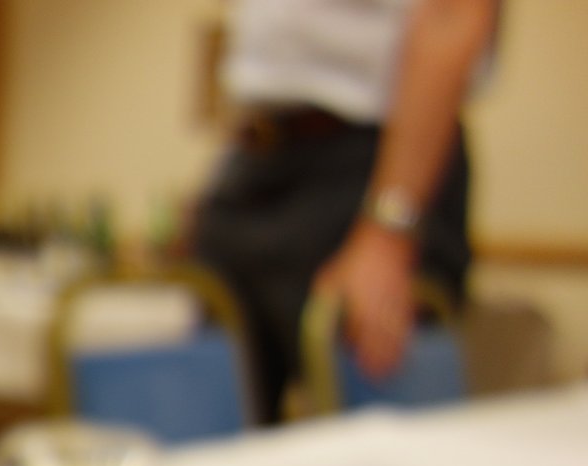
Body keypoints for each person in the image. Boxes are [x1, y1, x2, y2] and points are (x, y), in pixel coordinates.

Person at [192, 0, 500, 423]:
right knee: (219, 434)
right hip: (257, 157)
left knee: (382, 435)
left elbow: (453, 14)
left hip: (370, 166)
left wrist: (390, 228)